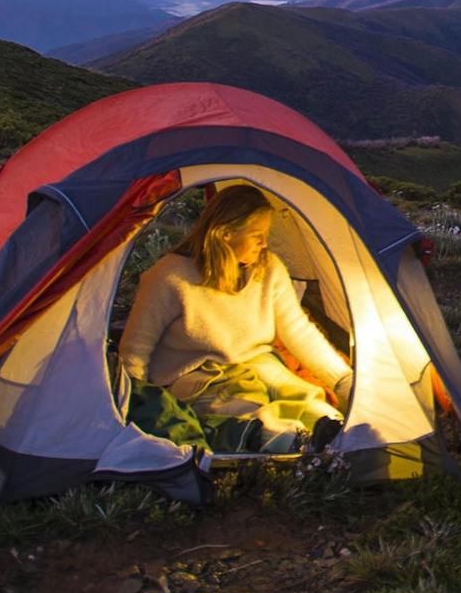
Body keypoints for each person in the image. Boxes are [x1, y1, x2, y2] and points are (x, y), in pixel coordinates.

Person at [118, 184, 349, 454]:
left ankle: (336, 431)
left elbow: (298, 331)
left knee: (303, 395)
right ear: (225, 234)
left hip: (257, 362)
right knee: (245, 409)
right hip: (200, 373)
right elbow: (136, 348)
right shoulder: (170, 277)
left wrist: (344, 381)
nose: (264, 243)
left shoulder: (268, 268)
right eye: (257, 235)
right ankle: (285, 442)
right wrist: (132, 404)